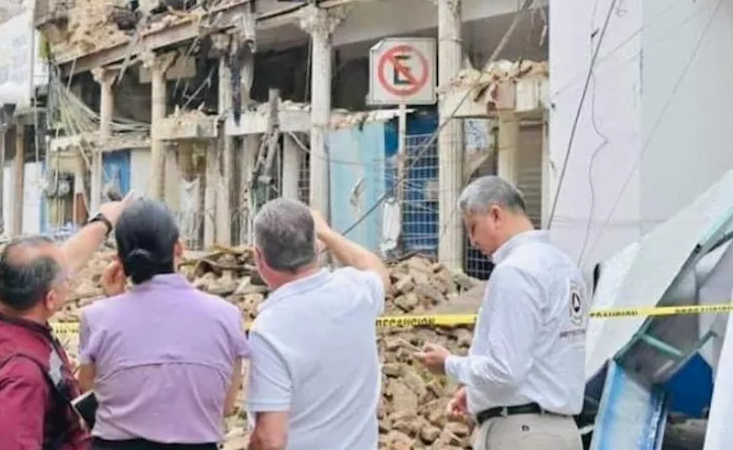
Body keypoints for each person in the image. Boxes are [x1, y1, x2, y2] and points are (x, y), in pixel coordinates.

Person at [415, 176, 587, 450]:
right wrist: (479, 395)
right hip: (560, 431)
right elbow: (538, 360)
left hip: (522, 435)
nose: (472, 241)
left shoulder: (515, 271)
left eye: (473, 228)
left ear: (495, 214)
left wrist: (448, 364)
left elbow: (505, 370)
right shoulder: (564, 266)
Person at [0, 196, 131, 450]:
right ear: (50, 298)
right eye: (66, 279)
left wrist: (103, 221)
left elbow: (65, 259)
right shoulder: (21, 377)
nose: (70, 278)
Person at [77, 199, 248, 450]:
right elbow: (225, 406)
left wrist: (113, 301)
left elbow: (92, 393)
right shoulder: (226, 316)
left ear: (119, 260)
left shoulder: (97, 318)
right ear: (179, 247)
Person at [244, 197, 390, 450]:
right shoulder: (356, 291)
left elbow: (271, 439)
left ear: (259, 257)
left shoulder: (269, 329)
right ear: (316, 247)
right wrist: (328, 234)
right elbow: (376, 268)